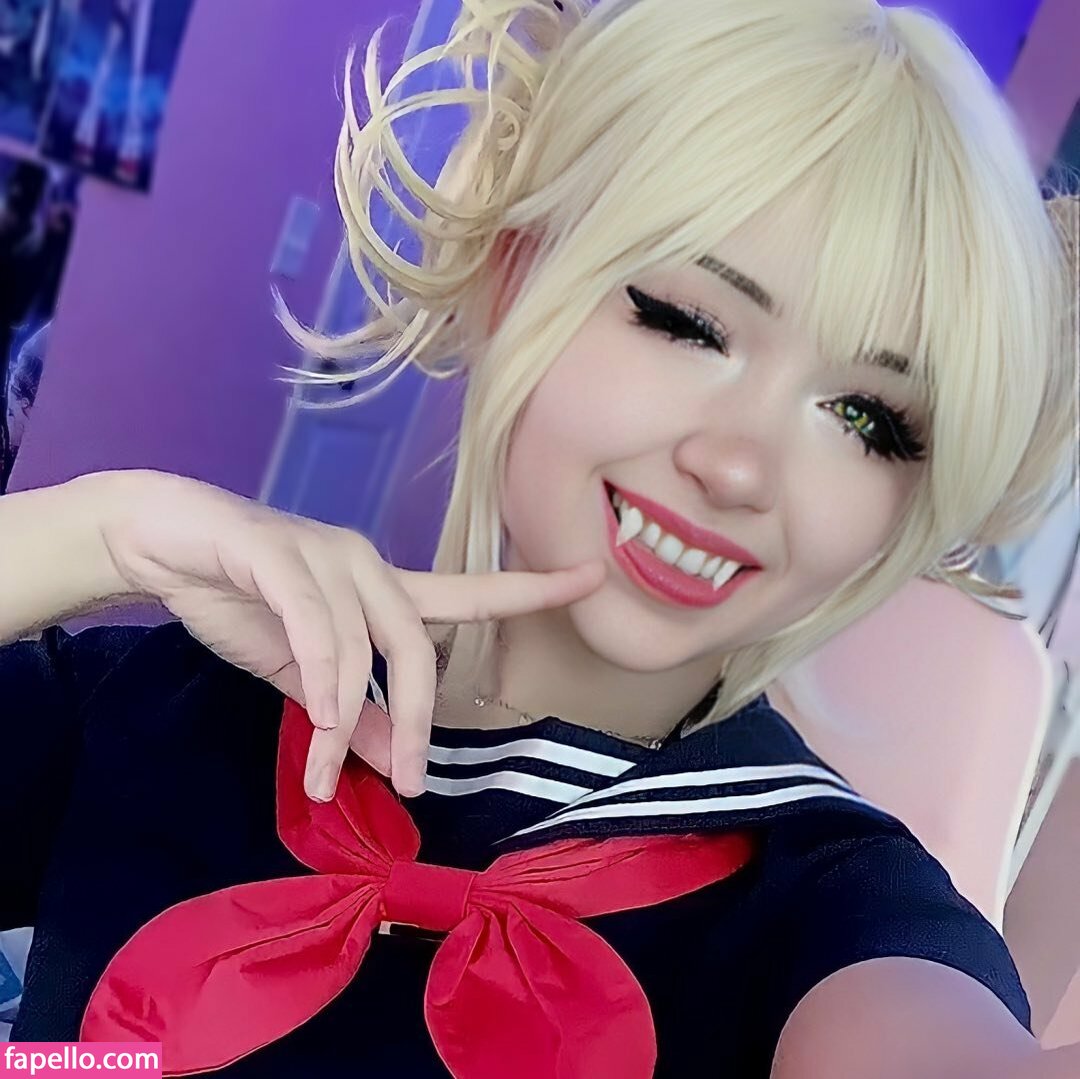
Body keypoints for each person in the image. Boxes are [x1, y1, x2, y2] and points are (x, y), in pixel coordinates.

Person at [0, 0, 1077, 1075]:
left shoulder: (840, 913)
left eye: (867, 418)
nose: (740, 465)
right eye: (687, 321)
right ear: (513, 277)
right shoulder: (177, 700)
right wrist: (103, 533)